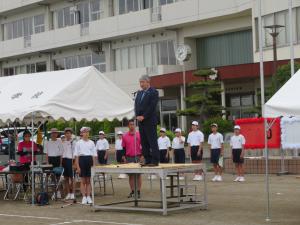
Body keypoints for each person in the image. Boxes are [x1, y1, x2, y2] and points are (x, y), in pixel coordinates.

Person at [135, 75, 159, 166]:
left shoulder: (153, 92)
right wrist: (137, 116)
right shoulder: (139, 93)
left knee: (152, 141)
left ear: (148, 82)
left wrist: (144, 116)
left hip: (149, 120)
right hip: (141, 122)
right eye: (140, 82)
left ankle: (155, 160)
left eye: (142, 82)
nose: (141, 84)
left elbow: (152, 106)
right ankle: (147, 159)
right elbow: (136, 106)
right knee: (144, 141)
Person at [74, 127, 97, 205]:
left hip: (89, 160)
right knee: (83, 180)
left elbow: (94, 155)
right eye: (84, 132)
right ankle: (84, 196)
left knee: (88, 180)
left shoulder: (92, 142)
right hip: (82, 160)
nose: (86, 133)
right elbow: (76, 156)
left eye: (87, 132)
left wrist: (94, 165)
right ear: (81, 133)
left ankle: (88, 196)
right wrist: (77, 166)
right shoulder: (78, 143)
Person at [122, 119, 143, 199]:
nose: (132, 126)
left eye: (133, 124)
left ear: (135, 125)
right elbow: (123, 147)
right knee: (131, 176)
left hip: (138, 156)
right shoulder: (124, 136)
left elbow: (143, 145)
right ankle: (132, 191)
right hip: (129, 157)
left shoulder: (138, 135)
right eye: (130, 124)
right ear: (128, 126)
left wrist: (142, 156)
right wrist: (124, 156)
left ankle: (138, 191)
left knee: (138, 175)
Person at [62, 128, 76, 200]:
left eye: (69, 133)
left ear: (71, 134)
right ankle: (68, 193)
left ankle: (73, 193)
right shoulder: (63, 142)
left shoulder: (73, 142)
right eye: (66, 133)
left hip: (71, 160)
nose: (68, 134)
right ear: (65, 134)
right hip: (64, 160)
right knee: (66, 178)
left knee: (72, 178)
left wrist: (75, 163)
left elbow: (76, 154)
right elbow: (62, 153)